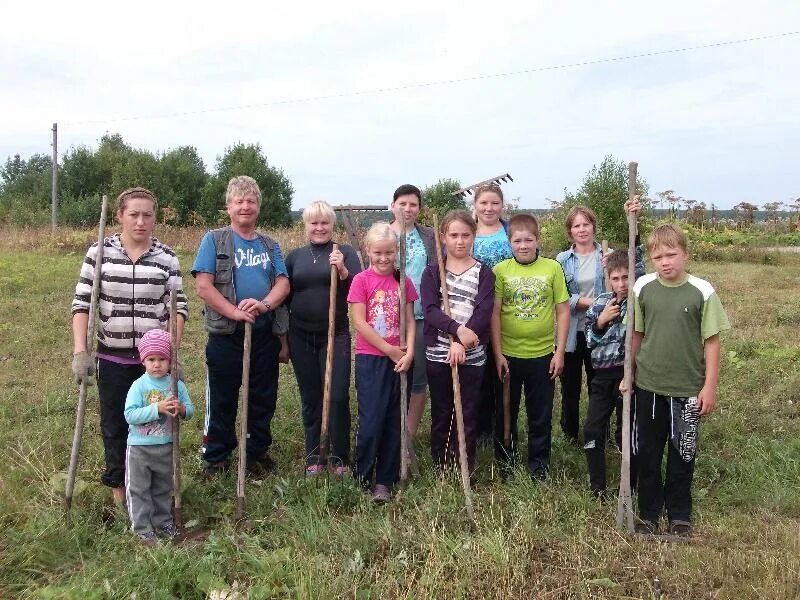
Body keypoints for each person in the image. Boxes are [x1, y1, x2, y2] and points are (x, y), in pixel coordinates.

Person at [71, 187, 188, 509]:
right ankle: (121, 494)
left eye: (147, 215)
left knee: (155, 424)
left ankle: (155, 487)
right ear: (120, 215)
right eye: (133, 214)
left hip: (152, 363)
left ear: (154, 217)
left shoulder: (167, 258)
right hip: (112, 356)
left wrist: (171, 354)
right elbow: (82, 304)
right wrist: (80, 352)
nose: (140, 221)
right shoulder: (100, 253)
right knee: (115, 424)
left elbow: (178, 309)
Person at [623, 224, 730, 537]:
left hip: (687, 391)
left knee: (683, 453)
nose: (665, 262)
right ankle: (649, 513)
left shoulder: (702, 291)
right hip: (649, 387)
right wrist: (628, 374)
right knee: (648, 454)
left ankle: (679, 514)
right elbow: (636, 335)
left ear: (685, 254)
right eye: (658, 256)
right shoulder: (642, 287)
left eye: (671, 255)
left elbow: (711, 341)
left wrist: (709, 387)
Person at [192, 175, 290, 477]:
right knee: (222, 395)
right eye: (239, 201)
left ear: (258, 206)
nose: (245, 206)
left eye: (251, 201)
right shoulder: (214, 239)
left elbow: (283, 283)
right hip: (226, 333)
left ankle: (256, 454)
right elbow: (203, 286)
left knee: (262, 396)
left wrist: (264, 305)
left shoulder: (269, 244)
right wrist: (234, 312)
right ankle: (217, 456)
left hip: (262, 331)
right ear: (229, 206)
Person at [555, 201, 643, 443]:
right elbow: (560, 296)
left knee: (600, 384)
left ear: (593, 226)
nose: (582, 229)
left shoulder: (609, 255)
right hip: (573, 330)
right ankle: (570, 433)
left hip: (606, 333)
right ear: (570, 231)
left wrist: (632, 222)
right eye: (576, 226)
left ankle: (601, 432)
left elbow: (631, 275)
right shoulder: (562, 260)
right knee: (570, 386)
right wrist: (592, 303)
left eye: (586, 224)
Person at [491, 214, 569, 479]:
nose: (523, 245)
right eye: (517, 241)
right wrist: (498, 353)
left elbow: (563, 311)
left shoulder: (552, 268)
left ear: (538, 240)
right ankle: (506, 465)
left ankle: (539, 467)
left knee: (540, 415)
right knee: (505, 413)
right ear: (509, 242)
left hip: (542, 355)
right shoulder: (500, 271)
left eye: (528, 240)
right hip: (509, 356)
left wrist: (559, 352)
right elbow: (495, 313)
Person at [285, 201, 361, 475]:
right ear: (305, 225)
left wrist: (342, 270)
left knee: (338, 396)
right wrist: (282, 338)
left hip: (335, 334)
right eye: (313, 223)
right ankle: (314, 455)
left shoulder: (345, 253)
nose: (319, 228)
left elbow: (358, 290)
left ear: (332, 225)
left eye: (324, 222)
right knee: (311, 396)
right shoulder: (294, 257)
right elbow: (285, 296)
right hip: (300, 335)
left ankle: (339, 456)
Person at [421, 210, 494, 476]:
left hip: (473, 354)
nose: (460, 241)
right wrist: (455, 332)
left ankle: (465, 462)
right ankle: (442, 464)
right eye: (454, 235)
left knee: (468, 410)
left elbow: (484, 311)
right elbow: (430, 309)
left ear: (473, 237)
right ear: (443, 238)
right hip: (439, 351)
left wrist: (463, 343)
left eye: (465, 235)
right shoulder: (433, 272)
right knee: (442, 409)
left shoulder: (484, 273)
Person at [347, 222, 416, 502]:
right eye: (378, 253)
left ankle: (384, 481)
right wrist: (389, 350)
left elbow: (410, 321)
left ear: (396, 252)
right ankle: (362, 475)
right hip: (372, 358)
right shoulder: (361, 280)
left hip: (400, 360)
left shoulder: (404, 282)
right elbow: (359, 322)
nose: (384, 258)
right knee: (372, 419)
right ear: (368, 251)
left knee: (393, 419)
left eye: (389, 253)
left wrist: (409, 352)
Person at [123, 329, 194, 544]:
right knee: (139, 489)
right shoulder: (139, 386)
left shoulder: (176, 385)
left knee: (163, 488)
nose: (157, 364)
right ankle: (142, 528)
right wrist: (157, 408)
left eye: (162, 359)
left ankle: (163, 522)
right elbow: (130, 415)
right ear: (143, 361)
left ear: (170, 361)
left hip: (165, 445)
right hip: (140, 448)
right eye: (151, 359)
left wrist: (181, 409)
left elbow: (190, 411)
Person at [583, 249, 633, 496]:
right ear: (608, 278)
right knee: (593, 429)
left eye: (626, 277)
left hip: (629, 376)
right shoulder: (600, 303)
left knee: (627, 429)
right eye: (616, 278)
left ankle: (630, 482)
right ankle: (597, 486)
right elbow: (590, 341)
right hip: (602, 376)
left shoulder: (639, 300)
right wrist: (601, 321)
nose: (621, 284)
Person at [388, 184, 436, 438]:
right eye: (403, 203)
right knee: (392, 376)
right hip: (388, 319)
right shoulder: (381, 234)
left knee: (419, 379)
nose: (408, 208)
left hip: (421, 317)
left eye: (413, 204)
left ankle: (407, 438)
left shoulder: (428, 235)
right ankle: (389, 432)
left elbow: (436, 270)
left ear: (419, 208)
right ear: (392, 205)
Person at [471, 183, 513, 444]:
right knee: (478, 367)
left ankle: (503, 424)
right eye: (484, 203)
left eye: (494, 203)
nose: (489, 208)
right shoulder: (467, 232)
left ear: (502, 205)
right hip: (473, 310)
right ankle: (480, 425)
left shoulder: (511, 232)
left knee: (502, 364)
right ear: (475, 205)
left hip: (508, 310)